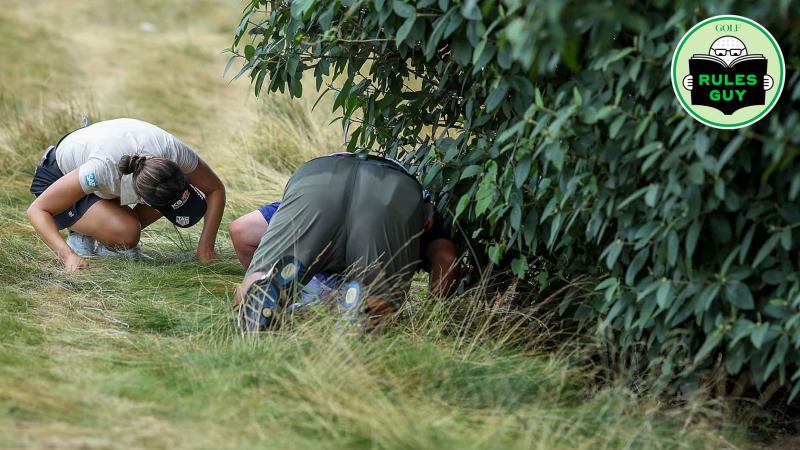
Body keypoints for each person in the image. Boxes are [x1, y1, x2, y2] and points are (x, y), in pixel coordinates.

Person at [231, 153, 459, 331]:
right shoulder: (422, 205)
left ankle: (263, 289)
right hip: (392, 192)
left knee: (263, 277)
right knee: (377, 299)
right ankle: (363, 305)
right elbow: (446, 258)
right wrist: (432, 317)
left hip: (317, 180)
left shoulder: (313, 191)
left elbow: (241, 231)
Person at [27, 118, 226, 271]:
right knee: (127, 233)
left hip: (100, 169)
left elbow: (215, 189)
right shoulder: (101, 170)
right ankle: (87, 234)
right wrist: (68, 256)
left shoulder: (175, 153)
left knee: (151, 209)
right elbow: (37, 210)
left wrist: (206, 247)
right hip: (57, 177)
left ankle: (109, 239)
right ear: (140, 198)